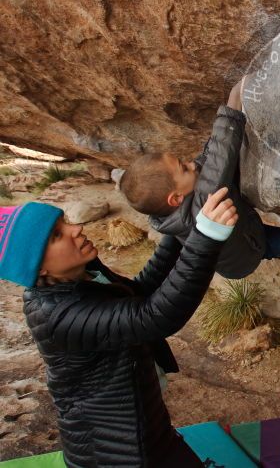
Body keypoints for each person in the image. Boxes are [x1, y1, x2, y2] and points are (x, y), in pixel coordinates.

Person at [2, 187, 238, 467]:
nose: (75, 229)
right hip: (116, 455)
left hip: (147, 432)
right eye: (56, 235)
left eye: (64, 221)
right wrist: (205, 238)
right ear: (38, 267)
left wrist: (177, 231)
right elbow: (154, 316)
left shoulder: (82, 274)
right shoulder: (58, 315)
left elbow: (138, 292)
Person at [120, 78, 280, 280]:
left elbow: (210, 158)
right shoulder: (198, 210)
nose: (191, 164)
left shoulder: (175, 200)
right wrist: (234, 102)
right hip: (253, 250)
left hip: (243, 226)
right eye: (183, 169)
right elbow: (218, 162)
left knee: (230, 164)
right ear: (175, 199)